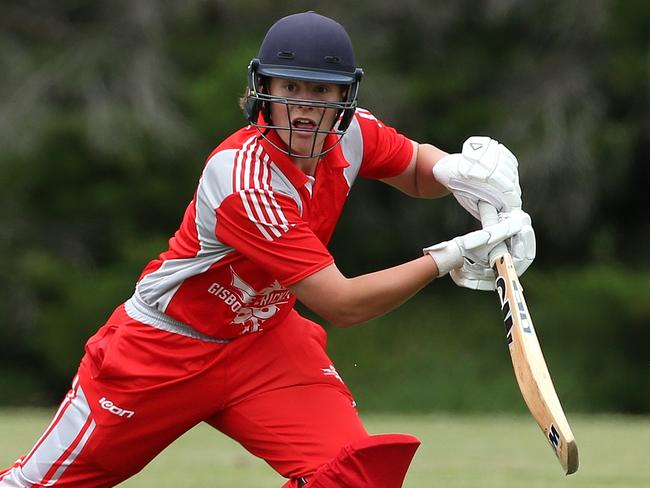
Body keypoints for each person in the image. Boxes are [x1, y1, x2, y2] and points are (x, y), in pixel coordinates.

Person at [0, 11, 535, 488]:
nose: (305, 108)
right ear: (264, 91)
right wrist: (451, 257)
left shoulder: (351, 135)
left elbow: (416, 167)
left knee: (353, 476)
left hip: (264, 342)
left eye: (322, 92)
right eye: (292, 89)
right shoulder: (244, 181)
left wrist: (461, 175)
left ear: (344, 97)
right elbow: (340, 304)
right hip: (166, 348)